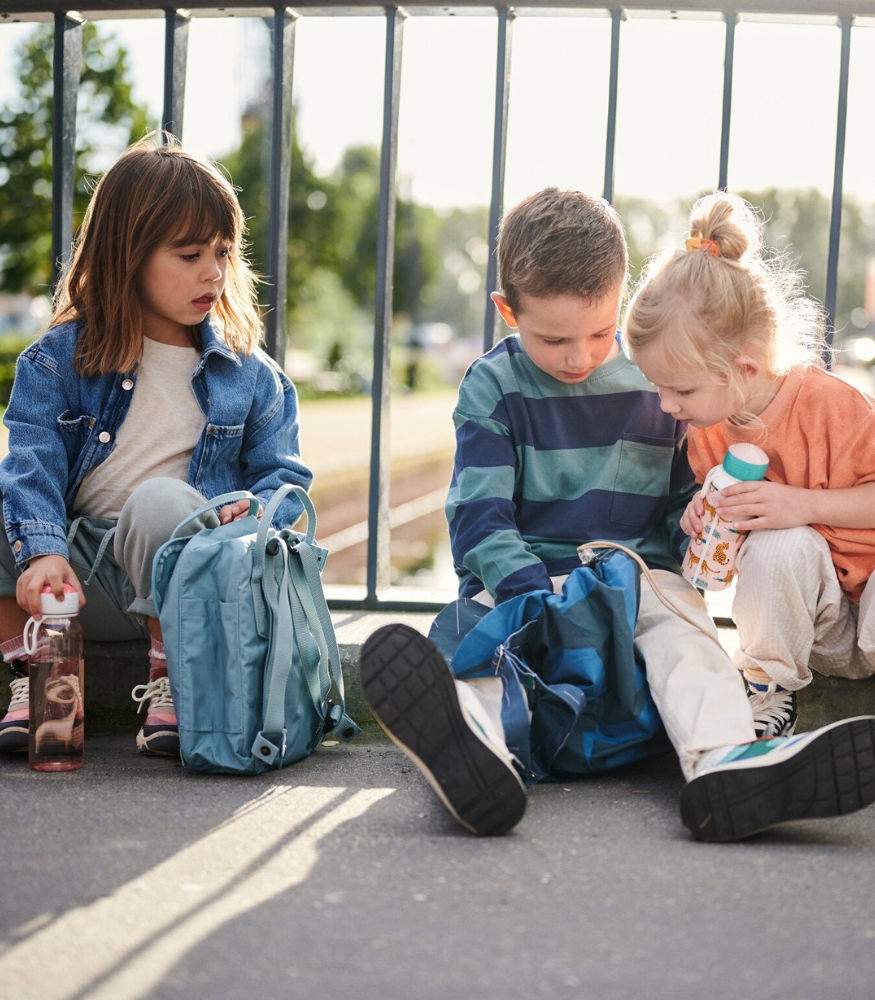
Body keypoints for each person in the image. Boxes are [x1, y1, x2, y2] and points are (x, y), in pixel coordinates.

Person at [360, 187, 875, 842]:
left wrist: (691, 520)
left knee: (687, 637)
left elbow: (674, 495)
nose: (579, 356)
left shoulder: (657, 382)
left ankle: (727, 761)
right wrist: (526, 592)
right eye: (553, 338)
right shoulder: (493, 387)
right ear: (506, 311)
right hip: (529, 578)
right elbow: (477, 513)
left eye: (600, 332)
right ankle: (477, 747)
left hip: (635, 578)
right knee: (485, 644)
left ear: (619, 298)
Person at [0, 137, 311, 758]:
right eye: (190, 254)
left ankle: (175, 679)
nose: (213, 272)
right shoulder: (59, 361)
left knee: (161, 501)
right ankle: (44, 676)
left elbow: (284, 482)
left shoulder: (252, 375)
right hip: (80, 578)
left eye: (223, 252)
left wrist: (248, 510)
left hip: (189, 583)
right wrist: (41, 553)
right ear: (128, 257)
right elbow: (30, 460)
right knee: (12, 502)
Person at [624, 191, 875, 741]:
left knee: (791, 529)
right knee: (778, 545)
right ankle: (766, 689)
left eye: (680, 388)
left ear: (742, 366)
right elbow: (740, 561)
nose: (666, 405)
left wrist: (803, 505)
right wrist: (706, 517)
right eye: (658, 387)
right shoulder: (707, 433)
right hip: (819, 630)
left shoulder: (836, 407)